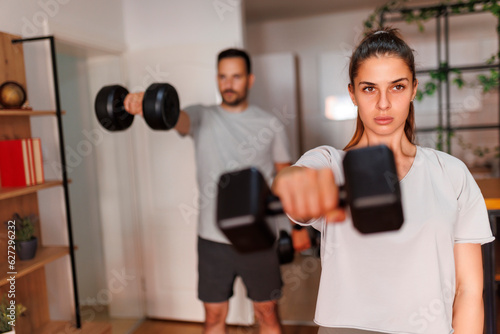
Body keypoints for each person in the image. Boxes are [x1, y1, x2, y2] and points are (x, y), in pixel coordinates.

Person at [271, 28, 494, 334]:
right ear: (353, 94)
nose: (384, 103)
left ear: (414, 89)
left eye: (397, 87)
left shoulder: (452, 173)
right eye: (370, 89)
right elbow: (298, 180)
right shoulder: (331, 164)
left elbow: (468, 290)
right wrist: (294, 184)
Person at [124, 48, 309, 334]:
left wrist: (297, 228)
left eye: (236, 77)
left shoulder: (270, 124)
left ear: (249, 80)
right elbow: (174, 117)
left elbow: (286, 180)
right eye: (223, 77)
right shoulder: (201, 116)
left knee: (266, 312)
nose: (228, 83)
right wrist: (146, 103)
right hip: (212, 238)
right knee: (213, 316)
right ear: (217, 79)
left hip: (259, 238)